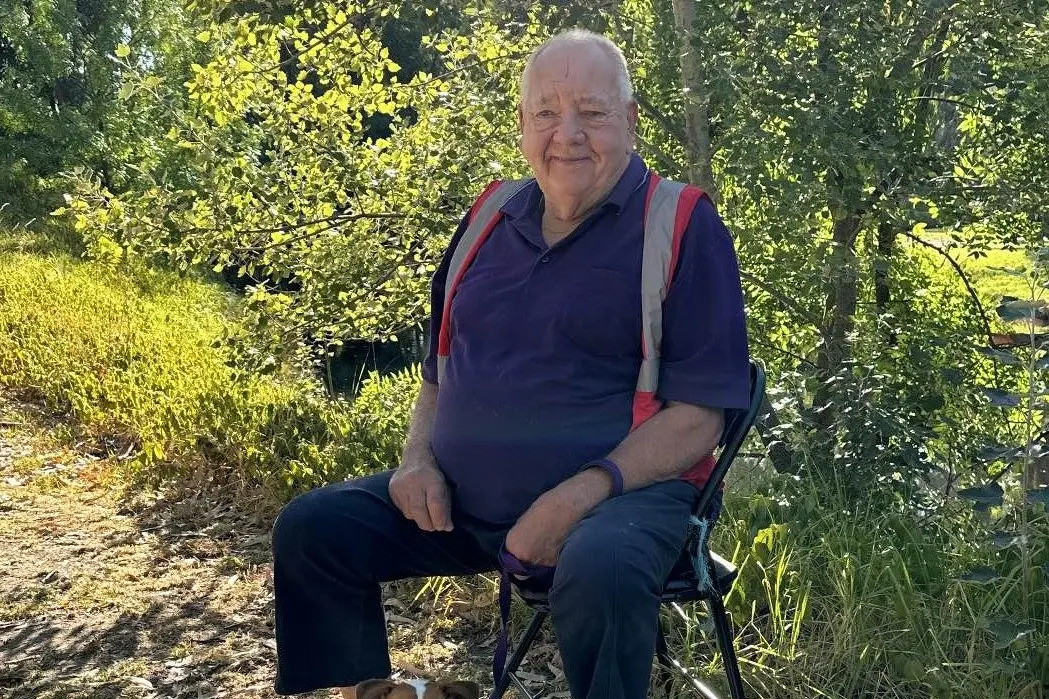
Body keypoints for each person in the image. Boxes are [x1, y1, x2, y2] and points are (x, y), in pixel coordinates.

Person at [270, 29, 751, 699]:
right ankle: (367, 691)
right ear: (522, 124)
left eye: (592, 110)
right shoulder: (488, 215)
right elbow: (440, 367)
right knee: (312, 531)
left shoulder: (681, 224)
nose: (568, 133)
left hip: (619, 504)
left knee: (602, 565)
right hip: (464, 503)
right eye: (546, 112)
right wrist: (417, 459)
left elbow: (700, 419)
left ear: (631, 120)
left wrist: (571, 498)